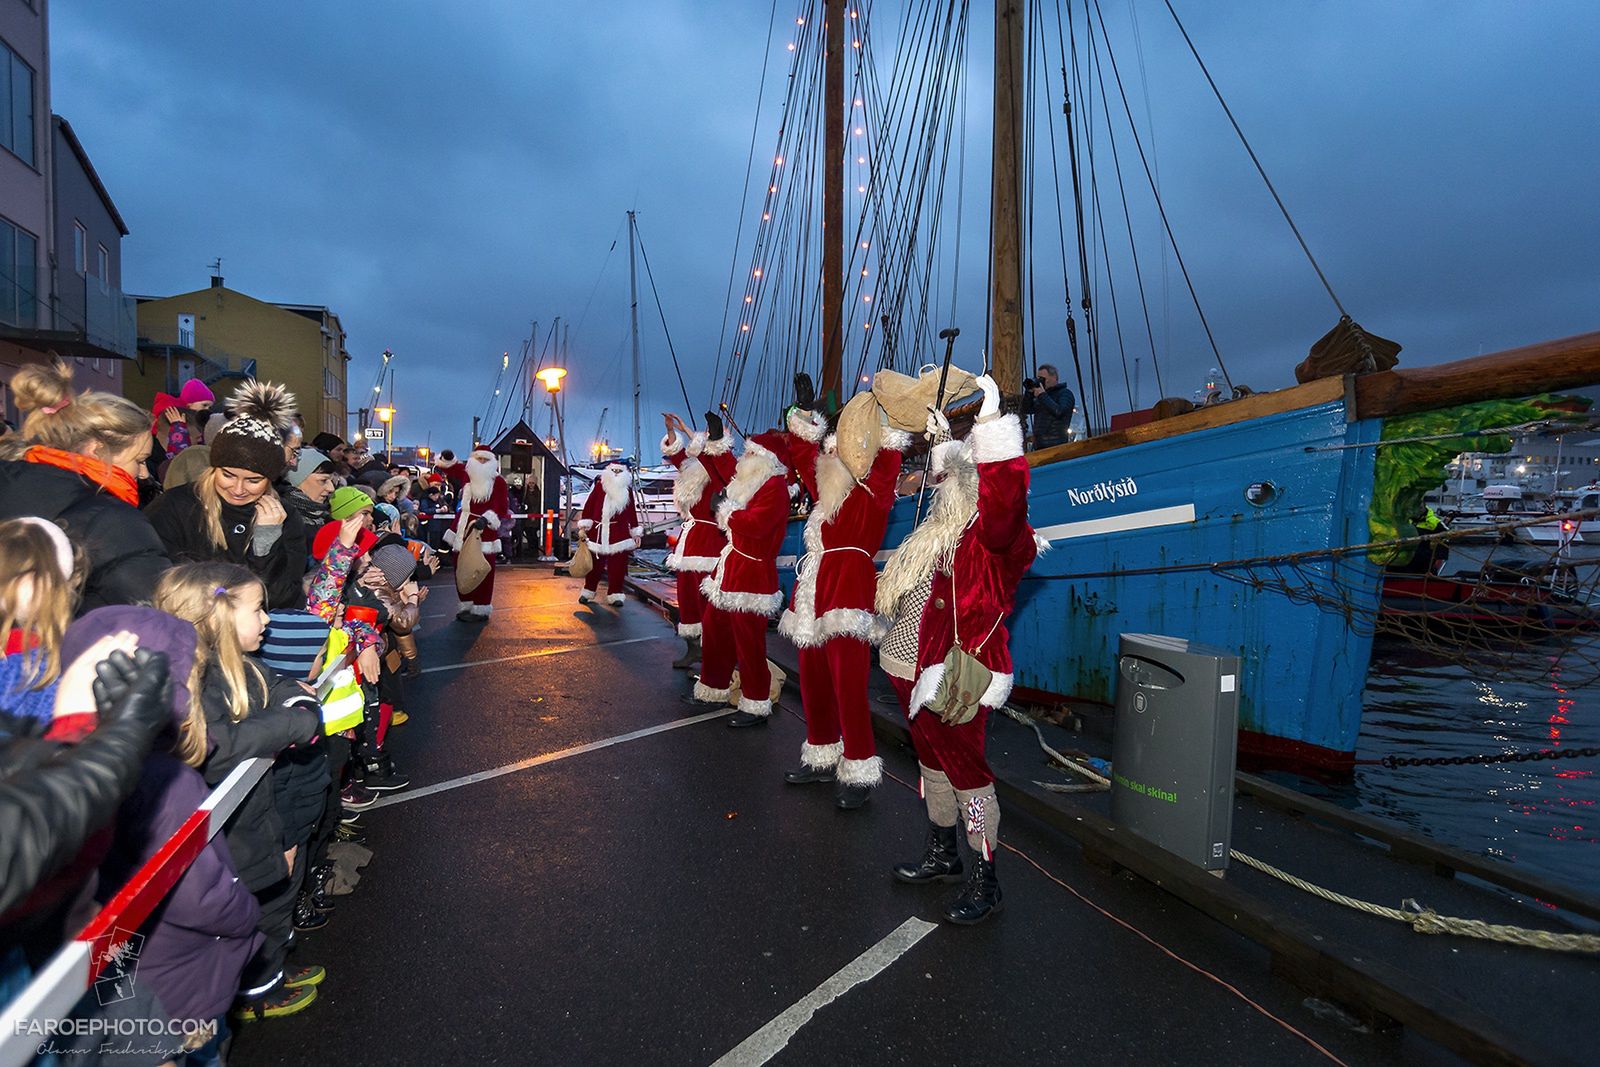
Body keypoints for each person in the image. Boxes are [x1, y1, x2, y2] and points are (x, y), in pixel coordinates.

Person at [876, 374, 1040, 924]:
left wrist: (991, 427)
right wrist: (941, 432)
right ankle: (943, 852)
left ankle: (985, 875)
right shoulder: (942, 527)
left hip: (956, 674)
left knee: (968, 772)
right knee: (932, 761)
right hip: (908, 664)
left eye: (962, 469)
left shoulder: (1001, 537)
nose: (944, 477)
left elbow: (1006, 499)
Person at [151, 564, 324, 1022]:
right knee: (246, 913)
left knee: (264, 905)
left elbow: (282, 685)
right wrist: (291, 722)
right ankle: (256, 993)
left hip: (252, 820)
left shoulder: (240, 664)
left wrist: (296, 702)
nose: (267, 620)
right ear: (219, 617)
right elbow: (215, 746)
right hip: (226, 838)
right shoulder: (192, 680)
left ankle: (265, 975)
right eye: (258, 609)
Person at [781, 375, 909, 809]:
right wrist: (802, 415)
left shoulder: (874, 493)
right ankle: (820, 754)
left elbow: (890, 460)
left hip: (849, 588)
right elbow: (802, 455)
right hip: (815, 586)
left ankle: (857, 769)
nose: (831, 453)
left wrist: (887, 422)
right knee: (813, 677)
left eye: (841, 447)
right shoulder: (827, 489)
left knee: (848, 684)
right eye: (831, 447)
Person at [0, 360, 172, 611]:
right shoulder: (112, 519)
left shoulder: (11, 478)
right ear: (96, 451)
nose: (143, 472)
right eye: (139, 460)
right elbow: (152, 609)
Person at [145, 381, 309, 609]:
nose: (239, 489)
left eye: (253, 480)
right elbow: (154, 581)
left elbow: (284, 599)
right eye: (228, 475)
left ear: (270, 478)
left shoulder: (285, 516)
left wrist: (265, 545)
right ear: (213, 468)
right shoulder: (176, 506)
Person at [695, 429, 793, 727]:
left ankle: (755, 701)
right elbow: (727, 470)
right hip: (732, 568)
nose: (744, 457)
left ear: (766, 459)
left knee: (748, 641)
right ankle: (714, 687)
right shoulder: (752, 481)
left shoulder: (775, 488)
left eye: (750, 453)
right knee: (714, 627)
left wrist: (726, 512)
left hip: (753, 574)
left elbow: (758, 524)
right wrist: (715, 439)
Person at [660, 411, 735, 667]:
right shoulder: (692, 469)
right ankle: (693, 649)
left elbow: (713, 459)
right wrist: (673, 431)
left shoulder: (718, 474)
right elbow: (679, 457)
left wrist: (693, 435)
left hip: (709, 542)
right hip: (689, 541)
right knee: (688, 598)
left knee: (706, 600)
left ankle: (712, 651)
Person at [437, 449, 510, 622]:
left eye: (486, 460)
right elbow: (451, 468)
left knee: (482, 569)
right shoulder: (468, 474)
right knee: (461, 567)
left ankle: (481, 607)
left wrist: (487, 519)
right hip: (462, 526)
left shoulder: (498, 482)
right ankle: (466, 604)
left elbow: (501, 507)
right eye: (479, 459)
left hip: (485, 530)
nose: (482, 462)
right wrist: (448, 457)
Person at [573, 461, 642, 608]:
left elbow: (631, 512)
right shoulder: (599, 487)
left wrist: (636, 531)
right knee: (594, 566)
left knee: (618, 566)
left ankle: (615, 593)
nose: (616, 473)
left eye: (619, 471)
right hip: (597, 532)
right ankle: (588, 591)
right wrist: (584, 526)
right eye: (614, 470)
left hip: (619, 534)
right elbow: (589, 506)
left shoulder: (627, 490)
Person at [281, 447, 337, 532]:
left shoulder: (325, 519)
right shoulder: (283, 523)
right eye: (323, 480)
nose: (331, 488)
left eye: (332, 481)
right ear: (297, 480)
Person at [1021, 363, 1075, 450]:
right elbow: (1026, 409)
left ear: (1053, 377)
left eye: (1042, 379)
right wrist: (1029, 393)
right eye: (1038, 378)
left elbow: (1059, 412)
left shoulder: (1065, 393)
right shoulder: (1042, 396)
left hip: (1056, 446)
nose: (1040, 381)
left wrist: (1042, 395)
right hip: (1039, 446)